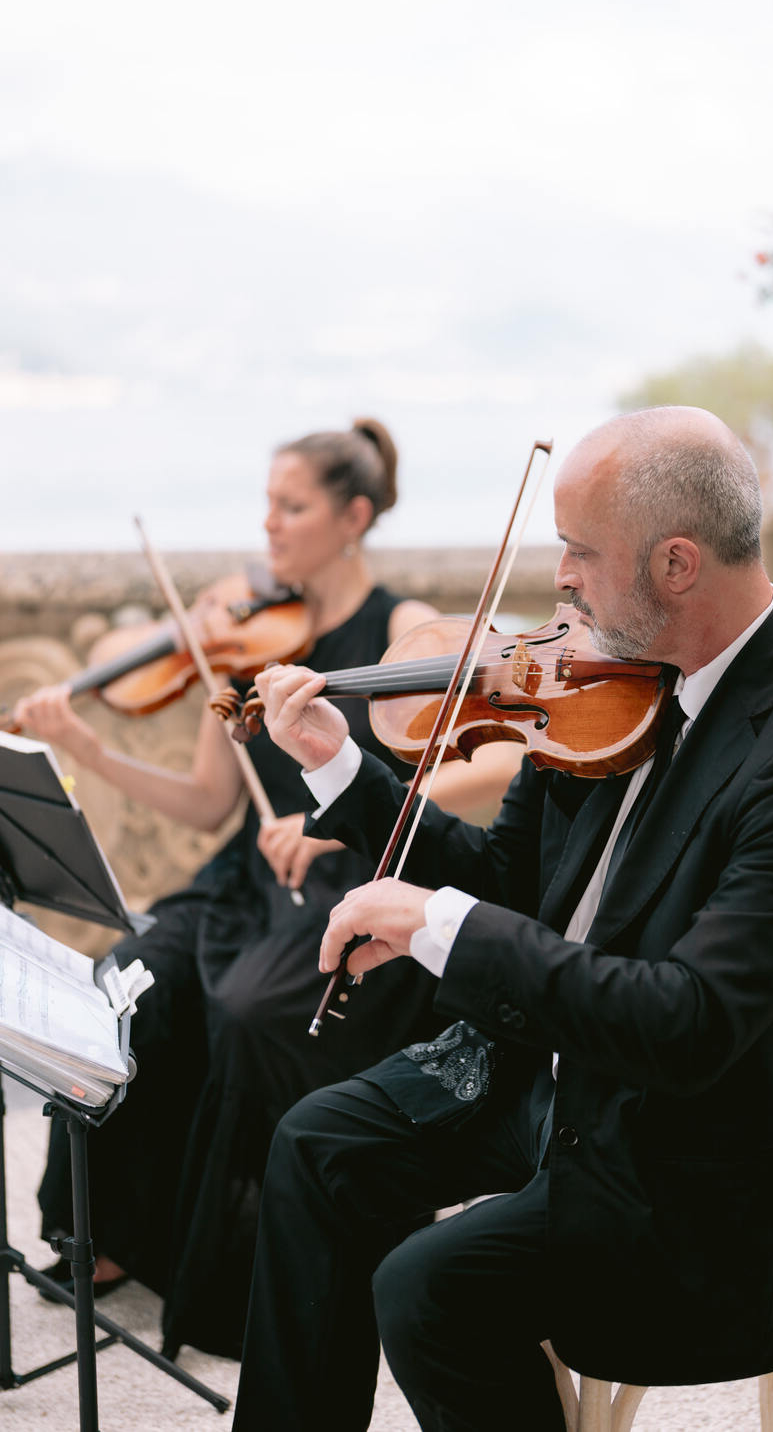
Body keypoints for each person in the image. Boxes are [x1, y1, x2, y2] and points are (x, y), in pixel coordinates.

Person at [231, 404, 773, 1432]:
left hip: (701, 1164)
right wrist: (335, 762)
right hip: (554, 1082)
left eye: (581, 552)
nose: (562, 581)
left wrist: (431, 925)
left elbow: (686, 1022)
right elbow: (502, 883)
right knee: (318, 1146)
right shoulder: (600, 686)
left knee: (429, 1286)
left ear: (676, 565)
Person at [12, 417, 523, 1362]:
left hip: (349, 882)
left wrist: (346, 807)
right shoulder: (252, 638)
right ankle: (117, 1234)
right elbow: (211, 804)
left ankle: (244, 1270)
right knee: (130, 979)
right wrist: (87, 748)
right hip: (245, 880)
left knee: (251, 1010)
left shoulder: (407, 628)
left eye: (292, 506)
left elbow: (496, 758)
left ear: (355, 515)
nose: (271, 526)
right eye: (268, 504)